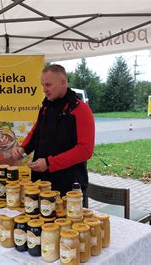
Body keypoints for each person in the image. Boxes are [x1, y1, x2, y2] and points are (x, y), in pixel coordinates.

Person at [11, 64, 95, 206]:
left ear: (63, 82)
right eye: (43, 85)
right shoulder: (46, 107)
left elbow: (85, 150)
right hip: (42, 182)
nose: (44, 90)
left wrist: (49, 163)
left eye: (48, 85)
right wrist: (23, 148)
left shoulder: (81, 109)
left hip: (69, 187)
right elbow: (36, 131)